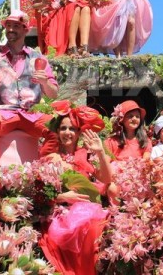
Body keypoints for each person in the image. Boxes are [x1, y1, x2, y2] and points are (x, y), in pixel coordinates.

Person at [38, 101, 111, 275]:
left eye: (72, 129)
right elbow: (39, 193)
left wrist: (100, 152)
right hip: (62, 213)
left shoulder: (85, 155)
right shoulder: (51, 158)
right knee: (83, 227)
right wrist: (62, 197)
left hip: (89, 209)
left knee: (97, 226)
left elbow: (107, 179)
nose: (67, 133)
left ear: (79, 132)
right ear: (57, 132)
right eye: (63, 128)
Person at [0, 10, 59, 164]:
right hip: (5, 111)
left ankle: (44, 171)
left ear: (26, 29)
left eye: (16, 26)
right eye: (8, 25)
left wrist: (45, 83)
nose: (10, 29)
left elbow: (53, 93)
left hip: (32, 113)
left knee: (56, 128)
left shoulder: (38, 58)